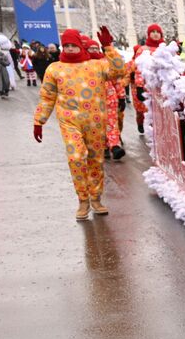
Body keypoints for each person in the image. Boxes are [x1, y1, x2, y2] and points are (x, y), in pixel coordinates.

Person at [32, 28, 125, 220]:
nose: (70, 48)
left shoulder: (96, 65)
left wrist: (108, 47)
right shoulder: (55, 69)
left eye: (73, 45)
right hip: (70, 122)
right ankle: (83, 200)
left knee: (95, 160)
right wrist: (39, 121)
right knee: (76, 158)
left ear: (80, 46)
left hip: (95, 122)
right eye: (66, 45)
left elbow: (119, 71)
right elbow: (47, 96)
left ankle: (96, 198)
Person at [84, 39, 128, 159]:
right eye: (91, 48)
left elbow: (117, 80)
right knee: (97, 125)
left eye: (96, 48)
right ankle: (104, 147)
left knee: (112, 123)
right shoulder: (82, 65)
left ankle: (114, 146)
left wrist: (121, 96)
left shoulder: (106, 62)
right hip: (92, 101)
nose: (94, 50)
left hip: (110, 98)